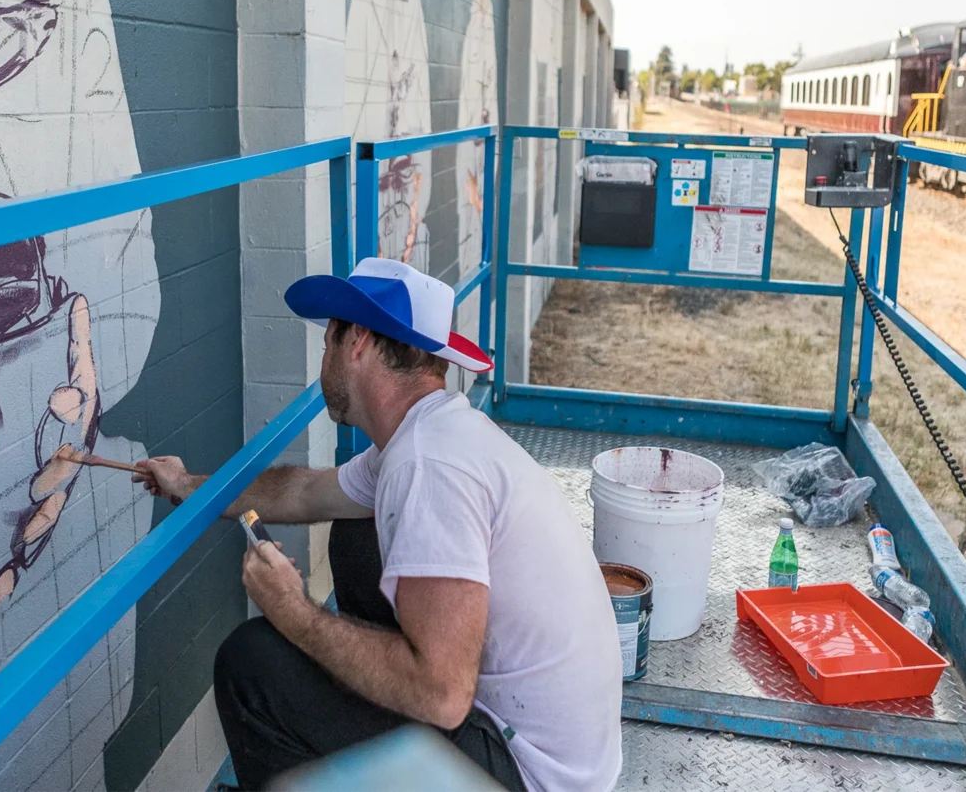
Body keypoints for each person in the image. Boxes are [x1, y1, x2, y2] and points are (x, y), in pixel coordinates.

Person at [136, 258, 622, 791]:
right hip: (534, 745)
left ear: (359, 340)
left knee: (252, 664)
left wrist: (291, 609)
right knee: (356, 533)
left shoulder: (429, 464)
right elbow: (300, 491)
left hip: (526, 775)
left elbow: (441, 695)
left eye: (329, 340)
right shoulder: (429, 437)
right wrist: (187, 484)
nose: (324, 356)